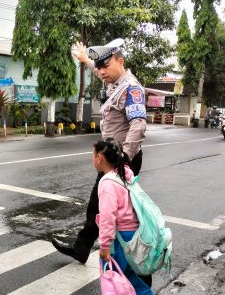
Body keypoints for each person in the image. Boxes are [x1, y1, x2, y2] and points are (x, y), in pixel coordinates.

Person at [51, 38, 151, 285]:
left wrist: (124, 161)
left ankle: (139, 269)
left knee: (122, 214)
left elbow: (138, 126)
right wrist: (86, 60)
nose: (102, 71)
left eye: (106, 66)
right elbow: (99, 71)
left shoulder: (131, 88)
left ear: (120, 61)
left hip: (122, 159)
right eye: (100, 67)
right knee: (97, 205)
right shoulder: (114, 82)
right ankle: (82, 248)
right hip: (112, 158)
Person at [93, 138, 154, 295]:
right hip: (134, 236)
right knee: (132, 280)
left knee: (113, 280)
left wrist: (105, 246)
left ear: (99, 157)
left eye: (93, 155)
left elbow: (108, 217)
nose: (92, 159)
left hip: (119, 240)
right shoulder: (125, 175)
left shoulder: (107, 183)